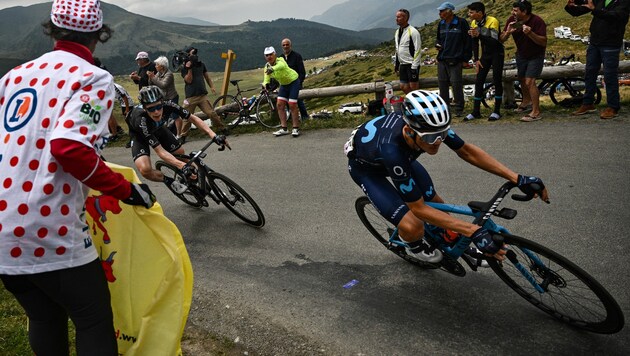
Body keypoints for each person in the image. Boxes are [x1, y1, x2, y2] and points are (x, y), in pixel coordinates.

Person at [0, 1, 156, 355]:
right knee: (93, 320)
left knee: (44, 318)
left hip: (4, 233)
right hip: (48, 226)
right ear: (98, 35)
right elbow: (69, 148)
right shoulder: (92, 77)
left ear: (52, 29)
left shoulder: (13, 77)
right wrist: (128, 191)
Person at [345, 90, 549, 264]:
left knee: (434, 201)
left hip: (400, 157)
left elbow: (467, 151)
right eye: (431, 138)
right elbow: (419, 209)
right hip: (367, 168)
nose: (438, 142)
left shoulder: (430, 128)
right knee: (414, 224)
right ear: (408, 131)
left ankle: (448, 238)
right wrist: (473, 231)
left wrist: (517, 177)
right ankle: (412, 246)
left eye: (442, 134)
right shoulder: (392, 150)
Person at [126, 86, 227, 184]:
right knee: (145, 170)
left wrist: (214, 135)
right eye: (151, 109)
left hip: (159, 128)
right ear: (144, 108)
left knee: (180, 153)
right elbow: (160, 152)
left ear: (162, 103)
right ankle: (171, 182)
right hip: (139, 135)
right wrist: (181, 166)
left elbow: (193, 118)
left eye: (158, 106)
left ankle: (196, 177)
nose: (156, 111)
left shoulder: (169, 105)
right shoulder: (140, 119)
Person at [566, 0, 630, 119]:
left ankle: (613, 107)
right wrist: (570, 7)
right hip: (595, 42)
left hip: (611, 43)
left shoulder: (624, 2)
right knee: (589, 73)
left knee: (609, 75)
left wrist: (594, 10)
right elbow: (580, 11)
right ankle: (588, 103)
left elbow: (615, 16)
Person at [499, 0, 547, 122]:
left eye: (515, 10)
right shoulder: (512, 20)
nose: (512, 12)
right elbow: (501, 39)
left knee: (530, 81)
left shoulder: (537, 21)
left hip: (536, 55)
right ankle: (526, 102)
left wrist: (530, 33)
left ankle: (536, 112)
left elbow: (543, 42)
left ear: (524, 11)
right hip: (521, 55)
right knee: (522, 79)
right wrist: (508, 33)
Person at [465, 2, 505, 122]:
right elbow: (474, 42)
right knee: (479, 81)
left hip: (497, 54)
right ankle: (476, 111)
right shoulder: (474, 22)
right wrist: (476, 59)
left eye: (472, 12)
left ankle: (497, 111)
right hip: (485, 56)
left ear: (480, 13)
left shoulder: (493, 21)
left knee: (497, 80)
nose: (469, 14)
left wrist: (479, 34)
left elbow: (494, 42)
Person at [179, 46, 225, 143]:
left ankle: (222, 129)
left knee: (211, 113)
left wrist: (211, 86)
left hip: (202, 95)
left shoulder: (201, 65)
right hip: (190, 97)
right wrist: (189, 68)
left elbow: (207, 77)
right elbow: (188, 80)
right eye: (192, 53)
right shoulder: (183, 67)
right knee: (187, 117)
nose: (195, 55)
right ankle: (183, 136)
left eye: (195, 53)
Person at [435, 2, 472, 117]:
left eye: (442, 11)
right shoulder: (441, 24)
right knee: (442, 85)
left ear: (449, 11)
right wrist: (437, 45)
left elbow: (468, 42)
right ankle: (444, 109)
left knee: (456, 84)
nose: (439, 13)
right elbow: (438, 39)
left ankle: (459, 109)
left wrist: (465, 59)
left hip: (456, 60)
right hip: (442, 59)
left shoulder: (461, 23)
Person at [262, 46, 302, 137]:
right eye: (267, 55)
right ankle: (284, 128)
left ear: (275, 54)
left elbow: (281, 66)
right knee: (279, 105)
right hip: (284, 85)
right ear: (265, 57)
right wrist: (265, 84)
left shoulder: (281, 60)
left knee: (292, 104)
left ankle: (296, 128)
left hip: (293, 82)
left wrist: (272, 69)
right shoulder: (267, 66)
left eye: (271, 54)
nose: (269, 57)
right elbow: (266, 78)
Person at [148, 55, 182, 135]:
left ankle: (179, 134)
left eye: (157, 65)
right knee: (164, 116)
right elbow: (151, 83)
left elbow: (163, 85)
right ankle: (166, 134)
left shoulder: (169, 74)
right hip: (164, 98)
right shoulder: (159, 73)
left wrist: (153, 78)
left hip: (172, 97)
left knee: (175, 116)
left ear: (162, 66)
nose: (155, 66)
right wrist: (151, 78)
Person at [394, 8, 422, 94]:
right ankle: (413, 102)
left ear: (405, 18)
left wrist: (414, 67)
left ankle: (419, 104)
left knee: (414, 87)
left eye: (399, 17)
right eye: (396, 17)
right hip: (402, 64)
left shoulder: (413, 31)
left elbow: (418, 50)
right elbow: (397, 49)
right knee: (403, 86)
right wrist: (396, 64)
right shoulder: (397, 32)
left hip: (411, 64)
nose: (396, 19)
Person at [281, 38, 309, 120]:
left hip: (296, 83)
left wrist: (299, 83)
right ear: (282, 46)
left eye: (287, 44)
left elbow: (302, 72)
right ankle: (292, 119)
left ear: (290, 45)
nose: (285, 46)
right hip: (286, 84)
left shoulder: (297, 56)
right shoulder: (281, 58)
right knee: (287, 102)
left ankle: (305, 118)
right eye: (284, 45)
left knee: (299, 102)